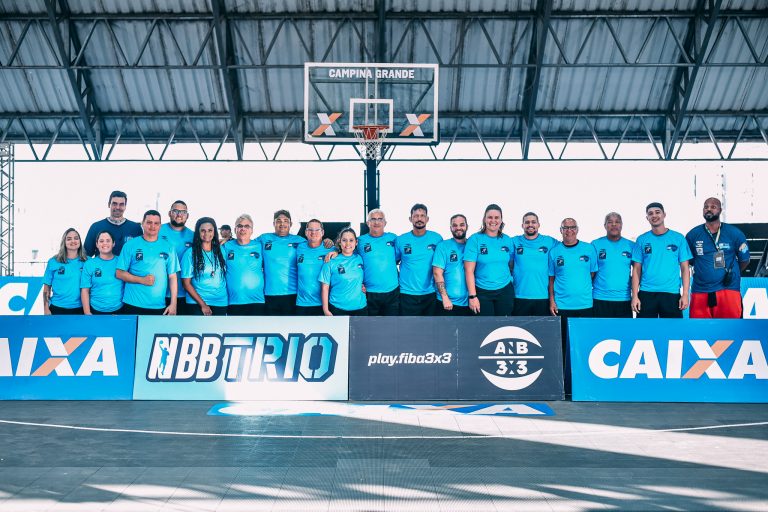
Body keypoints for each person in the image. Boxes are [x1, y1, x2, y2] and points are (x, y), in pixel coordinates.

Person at [686, 197, 750, 318]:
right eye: (706, 207)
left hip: (728, 290)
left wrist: (731, 273)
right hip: (700, 290)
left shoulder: (734, 233)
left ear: (720, 210)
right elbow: (688, 260)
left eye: (713, 207)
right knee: (700, 329)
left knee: (729, 328)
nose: (709, 209)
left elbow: (744, 260)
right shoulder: (693, 234)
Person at [631, 202, 692, 318]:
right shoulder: (642, 239)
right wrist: (634, 296)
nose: (654, 215)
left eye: (657, 212)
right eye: (650, 214)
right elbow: (636, 269)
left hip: (671, 293)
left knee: (673, 329)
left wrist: (685, 294)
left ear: (664, 215)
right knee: (644, 329)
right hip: (646, 292)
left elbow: (685, 268)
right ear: (647, 218)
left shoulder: (678, 238)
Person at [116, 210, 179, 315]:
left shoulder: (169, 247)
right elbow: (119, 273)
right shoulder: (130, 245)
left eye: (156, 223)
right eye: (149, 222)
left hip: (158, 305)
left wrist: (173, 304)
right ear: (142, 224)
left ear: (160, 226)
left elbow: (172, 277)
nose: (152, 226)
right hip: (133, 303)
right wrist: (142, 280)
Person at [464, 204, 515, 316]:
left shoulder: (507, 240)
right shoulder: (475, 239)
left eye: (497, 217)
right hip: (482, 292)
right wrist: (472, 296)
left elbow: (510, 265)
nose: (493, 220)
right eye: (490, 217)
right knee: (485, 325)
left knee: (504, 325)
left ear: (501, 220)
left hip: (505, 291)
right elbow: (469, 270)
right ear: (484, 219)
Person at [396, 204, 443, 315]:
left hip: (430, 293)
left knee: (430, 326)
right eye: (416, 216)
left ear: (427, 219)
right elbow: (392, 263)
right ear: (410, 219)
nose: (419, 219)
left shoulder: (437, 239)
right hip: (406, 293)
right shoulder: (401, 240)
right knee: (408, 325)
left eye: (422, 216)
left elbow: (442, 266)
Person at [258, 210, 306, 315]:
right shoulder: (264, 238)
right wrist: (227, 240)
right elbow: (246, 244)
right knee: (270, 325)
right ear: (274, 223)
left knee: (291, 325)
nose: (282, 224)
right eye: (278, 221)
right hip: (269, 294)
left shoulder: (300, 241)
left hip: (292, 294)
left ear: (291, 224)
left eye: (285, 221)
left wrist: (329, 244)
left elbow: (315, 246)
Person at [511, 212, 558, 316]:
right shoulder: (514, 241)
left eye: (533, 222)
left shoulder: (550, 241)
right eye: (527, 222)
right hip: (519, 296)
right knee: (519, 327)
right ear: (522, 225)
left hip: (542, 296)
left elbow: (565, 250)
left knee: (542, 327)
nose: (530, 225)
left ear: (538, 224)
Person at [548, 218, 597, 318]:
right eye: (565, 227)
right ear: (561, 230)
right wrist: (552, 301)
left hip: (585, 304)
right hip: (561, 305)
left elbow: (592, 274)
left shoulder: (589, 249)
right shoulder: (554, 251)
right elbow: (551, 280)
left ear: (577, 229)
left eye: (572, 227)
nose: (569, 230)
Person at [591, 212, 635, 318]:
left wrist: (635, 295)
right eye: (610, 222)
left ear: (621, 225)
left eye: (617, 222)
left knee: (623, 329)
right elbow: (590, 272)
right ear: (605, 225)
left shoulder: (631, 245)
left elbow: (638, 271)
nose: (614, 224)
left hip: (624, 298)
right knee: (600, 329)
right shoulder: (595, 244)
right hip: (600, 298)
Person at [181, 217, 228, 316]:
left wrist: (227, 239)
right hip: (197, 302)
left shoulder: (222, 251)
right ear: (198, 233)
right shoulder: (190, 253)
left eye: (210, 230)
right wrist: (203, 304)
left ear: (214, 232)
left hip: (220, 301)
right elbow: (186, 284)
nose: (206, 234)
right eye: (203, 230)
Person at [357, 209, 400, 315]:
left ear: (385, 223)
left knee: (391, 324)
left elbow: (401, 257)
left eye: (380, 219)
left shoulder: (393, 238)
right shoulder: (359, 241)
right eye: (373, 219)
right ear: (368, 223)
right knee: (371, 324)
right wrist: (334, 251)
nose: (376, 222)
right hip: (369, 292)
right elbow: (347, 255)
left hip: (392, 292)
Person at [224, 214, 266, 316]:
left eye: (247, 226)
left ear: (252, 230)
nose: (243, 229)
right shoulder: (226, 246)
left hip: (257, 301)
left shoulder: (260, 246)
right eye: (239, 226)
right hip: (234, 302)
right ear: (235, 230)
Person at [320, 227, 367, 316]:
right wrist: (326, 310)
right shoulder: (330, 260)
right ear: (339, 242)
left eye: (351, 240)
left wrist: (364, 286)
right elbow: (324, 287)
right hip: (337, 308)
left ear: (356, 242)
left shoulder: (360, 258)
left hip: (360, 308)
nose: (348, 243)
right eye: (344, 240)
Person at [159, 200, 193, 314]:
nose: (179, 214)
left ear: (187, 216)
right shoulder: (157, 230)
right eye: (176, 211)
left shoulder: (193, 236)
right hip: (159, 292)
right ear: (169, 213)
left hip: (185, 293)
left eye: (183, 212)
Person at [84, 190, 143, 256]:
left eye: (121, 204)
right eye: (114, 204)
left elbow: (140, 255)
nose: (117, 207)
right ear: (109, 204)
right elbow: (86, 255)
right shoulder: (96, 227)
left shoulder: (136, 228)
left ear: (125, 206)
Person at [43, 228, 86, 314]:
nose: (73, 241)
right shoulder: (53, 261)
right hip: (57, 308)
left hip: (81, 309)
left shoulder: (87, 262)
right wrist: (46, 309)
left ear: (80, 241)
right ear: (64, 242)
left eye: (76, 238)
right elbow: (46, 288)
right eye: (69, 239)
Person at [433, 214, 469, 315]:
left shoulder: (472, 245)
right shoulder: (443, 246)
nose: (458, 228)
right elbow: (437, 273)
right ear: (450, 228)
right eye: (454, 225)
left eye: (462, 225)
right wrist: (445, 298)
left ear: (467, 226)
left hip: (470, 302)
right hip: (447, 303)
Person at [80, 231, 124, 314]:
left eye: (108, 240)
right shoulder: (89, 264)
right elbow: (85, 290)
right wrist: (87, 313)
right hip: (96, 310)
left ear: (113, 243)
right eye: (101, 241)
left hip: (119, 310)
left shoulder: (121, 262)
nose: (105, 243)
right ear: (97, 244)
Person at [296, 219, 333, 315]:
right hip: (302, 303)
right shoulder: (299, 247)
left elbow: (349, 257)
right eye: (310, 230)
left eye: (317, 230)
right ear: (306, 232)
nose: (313, 232)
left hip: (324, 304)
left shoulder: (331, 250)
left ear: (322, 232)